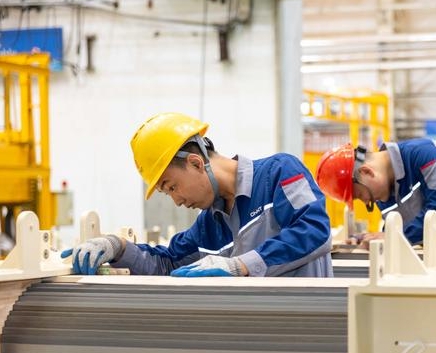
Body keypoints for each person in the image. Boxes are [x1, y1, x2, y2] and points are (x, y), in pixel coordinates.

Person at [62, 112, 333, 277]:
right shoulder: (209, 224)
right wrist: (117, 247)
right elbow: (166, 263)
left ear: (195, 162)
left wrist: (242, 265)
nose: (177, 200)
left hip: (310, 339)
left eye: (171, 187)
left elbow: (314, 229)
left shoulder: (281, 173)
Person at [314, 138, 436, 248]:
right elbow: (398, 228)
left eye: (360, 195)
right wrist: (368, 240)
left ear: (367, 172)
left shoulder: (425, 154)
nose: (366, 200)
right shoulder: (383, 193)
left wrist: (393, 237)